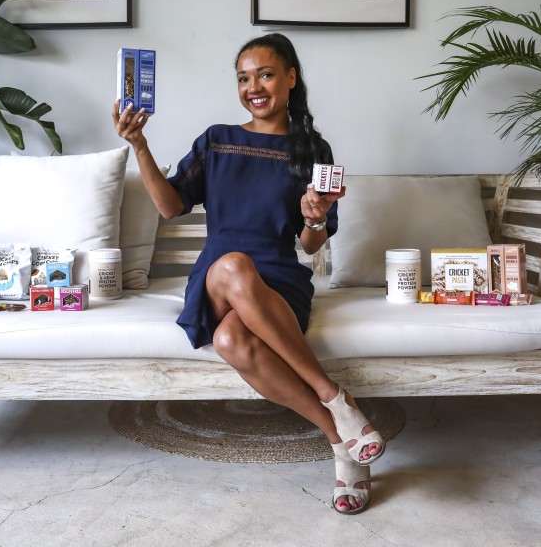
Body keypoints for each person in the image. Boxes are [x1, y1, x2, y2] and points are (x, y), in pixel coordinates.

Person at [112, 33, 385, 515]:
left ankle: (341, 447)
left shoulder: (312, 149)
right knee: (234, 264)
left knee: (232, 342)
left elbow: (309, 244)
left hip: (279, 280)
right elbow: (171, 206)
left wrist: (315, 215)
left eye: (265, 74)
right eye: (243, 77)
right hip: (218, 275)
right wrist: (139, 145)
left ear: (290, 78)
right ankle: (336, 399)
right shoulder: (218, 139)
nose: (253, 86)